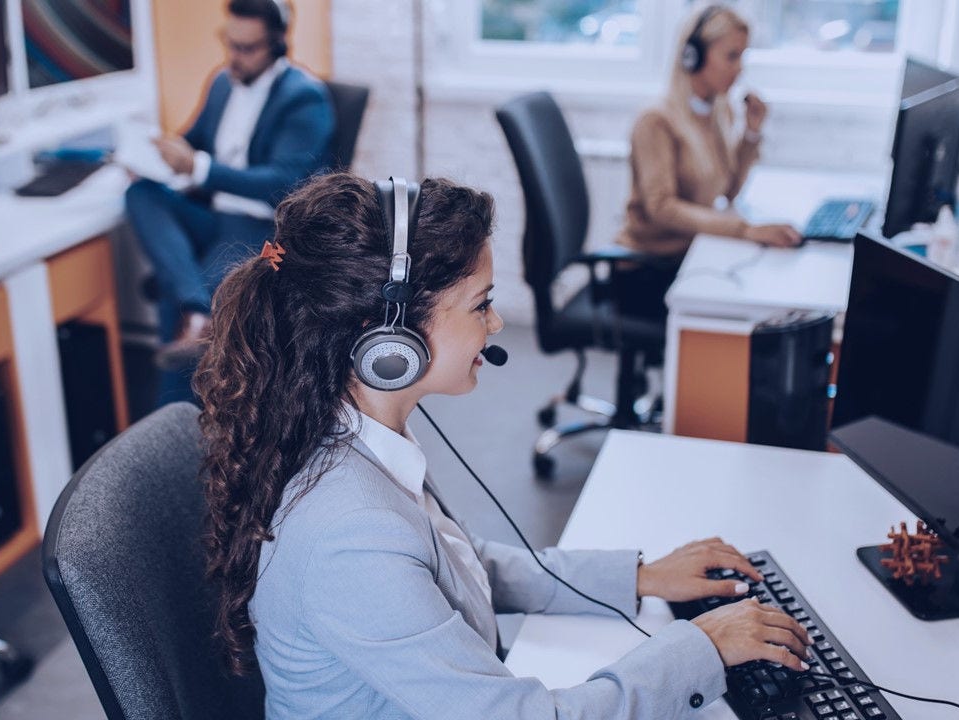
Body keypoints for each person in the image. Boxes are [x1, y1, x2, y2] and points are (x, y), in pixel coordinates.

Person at [194, 172, 812, 719]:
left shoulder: (357, 436)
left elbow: (462, 566)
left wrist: (640, 577)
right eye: (481, 305)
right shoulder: (348, 532)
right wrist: (700, 649)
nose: (495, 325)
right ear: (388, 340)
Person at [125, 0, 334, 403]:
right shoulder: (222, 83)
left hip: (263, 230)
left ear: (276, 43)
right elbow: (194, 140)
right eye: (229, 43)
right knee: (141, 195)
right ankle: (196, 307)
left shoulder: (305, 98)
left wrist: (198, 168)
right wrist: (155, 158)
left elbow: (284, 182)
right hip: (215, 215)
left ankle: (175, 433)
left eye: (246, 48)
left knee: (175, 289)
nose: (233, 57)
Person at [616, 4, 801, 321]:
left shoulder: (718, 112)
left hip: (689, 256)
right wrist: (745, 230)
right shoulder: (656, 121)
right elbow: (662, 208)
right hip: (649, 268)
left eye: (743, 56)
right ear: (694, 55)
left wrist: (751, 135)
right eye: (731, 56)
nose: (740, 68)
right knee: (738, 308)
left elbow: (728, 191)